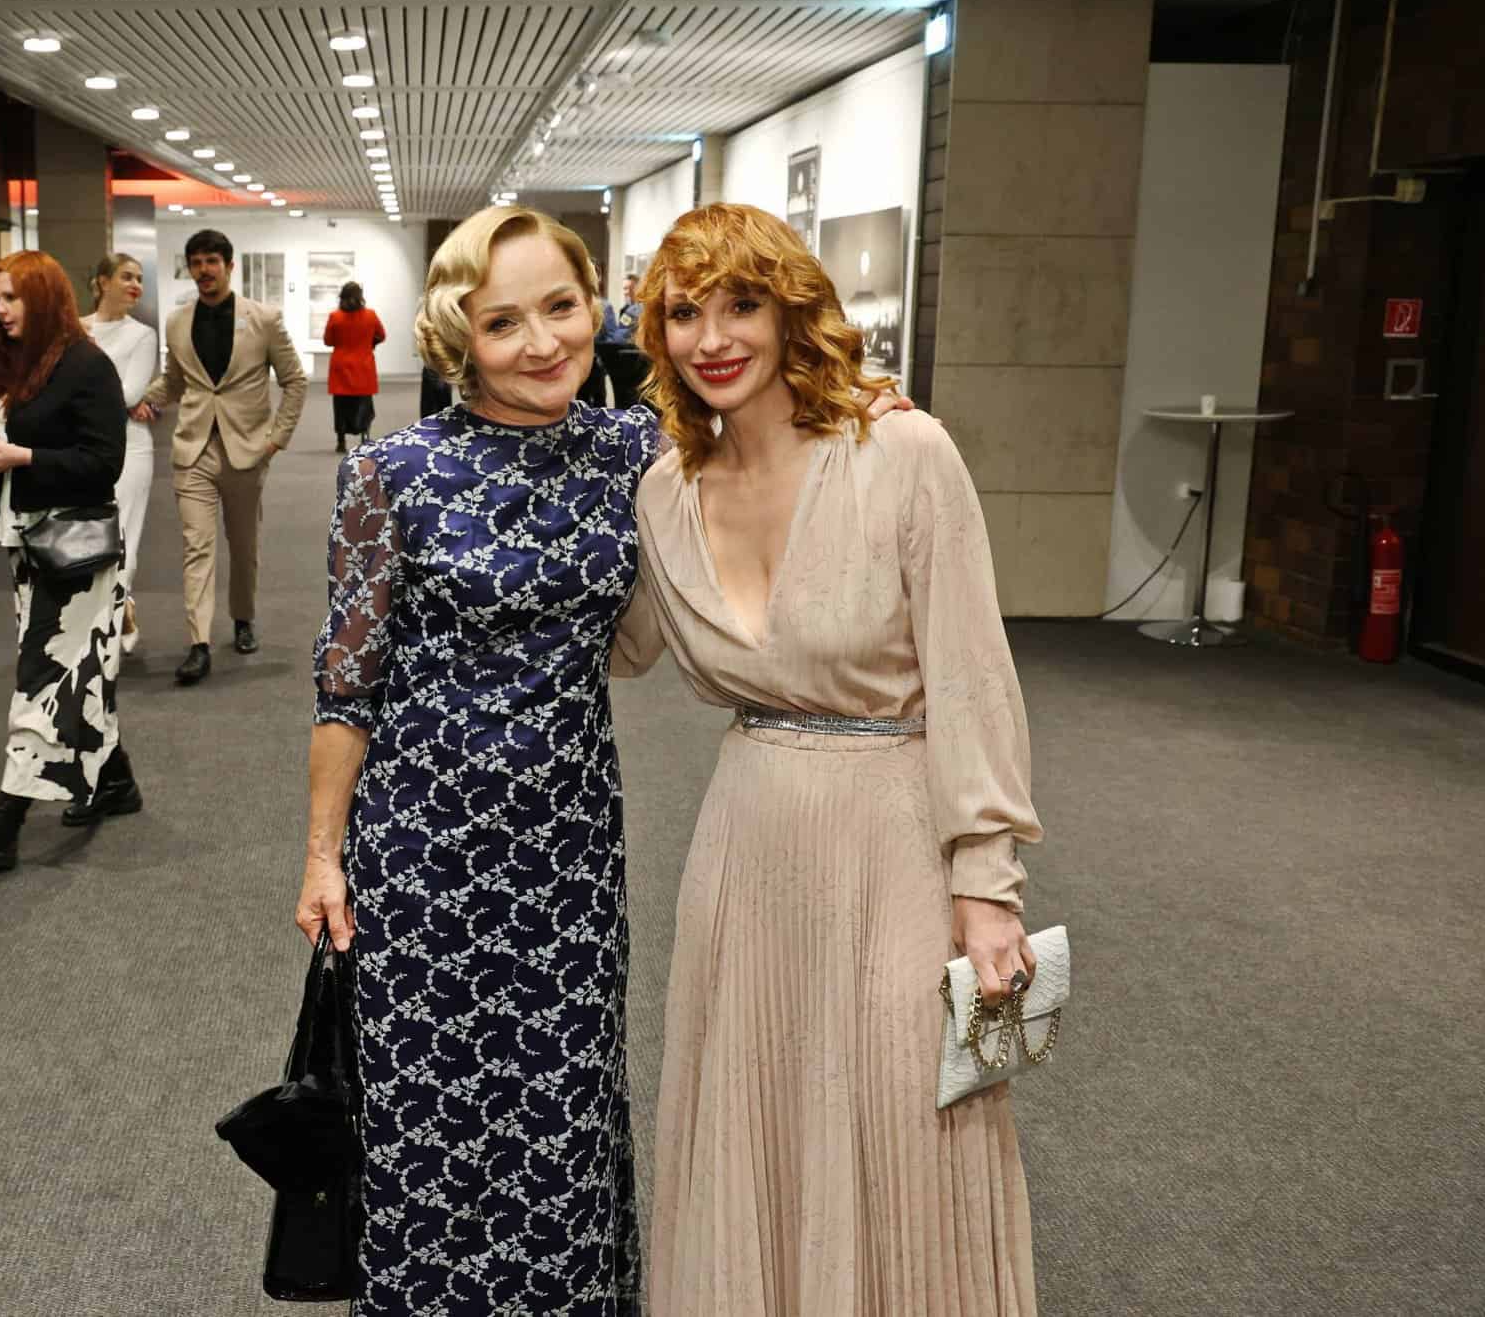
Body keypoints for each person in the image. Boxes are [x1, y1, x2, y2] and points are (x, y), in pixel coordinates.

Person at [298, 205, 912, 1316]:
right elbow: (347, 686)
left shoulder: (637, 452)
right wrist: (322, 855)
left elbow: (765, 442)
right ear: (460, 336)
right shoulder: (392, 473)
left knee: (565, 1108)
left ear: (599, 309)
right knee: (426, 1116)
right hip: (422, 854)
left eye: (561, 308)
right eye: (503, 323)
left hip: (568, 847)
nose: (541, 343)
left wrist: (861, 406)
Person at [613, 203, 1042, 1314]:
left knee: (902, 1115)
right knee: (752, 1113)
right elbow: (614, 644)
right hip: (745, 842)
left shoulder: (900, 452)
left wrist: (986, 884)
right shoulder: (663, 493)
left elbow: (972, 678)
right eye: (684, 313)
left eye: (742, 305)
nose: (713, 337)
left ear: (792, 310)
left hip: (891, 835)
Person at [0, 253, 134, 869]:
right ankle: (114, 780)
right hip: (27, 540)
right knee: (78, 667)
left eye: (12, 298)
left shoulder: (87, 365)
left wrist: (23, 458)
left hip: (76, 550)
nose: (0, 310)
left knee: (44, 674)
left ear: (44, 298)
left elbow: (103, 463)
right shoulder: (17, 362)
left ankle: (7, 817)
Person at [138, 226, 307, 686]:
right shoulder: (177, 322)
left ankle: (243, 618)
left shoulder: (263, 318)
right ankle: (198, 644)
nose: (204, 270)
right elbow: (175, 381)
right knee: (197, 547)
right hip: (192, 450)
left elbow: (295, 380)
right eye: (196, 263)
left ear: (229, 266)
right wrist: (144, 398)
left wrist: (276, 439)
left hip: (247, 452)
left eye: (212, 261)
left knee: (243, 546)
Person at [82, 251, 160, 654]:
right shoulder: (75, 329)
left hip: (131, 447)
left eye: (139, 279)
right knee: (87, 534)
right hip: (81, 447)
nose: (136, 285)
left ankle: (109, 628)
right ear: (102, 282)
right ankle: (117, 609)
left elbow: (129, 395)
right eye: (127, 276)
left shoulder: (142, 336)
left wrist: (80, 396)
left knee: (123, 535)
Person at [323, 278, 385, 451]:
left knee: (341, 405)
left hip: (341, 366)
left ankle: (341, 440)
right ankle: (364, 434)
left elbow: (328, 341)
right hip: (363, 365)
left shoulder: (335, 317)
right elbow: (381, 335)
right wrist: (369, 343)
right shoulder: (370, 315)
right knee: (363, 403)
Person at [596, 272, 651, 409]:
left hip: (633, 366)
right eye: (624, 289)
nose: (626, 292)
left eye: (629, 288)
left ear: (639, 288)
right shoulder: (631, 309)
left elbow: (619, 337)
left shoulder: (634, 311)